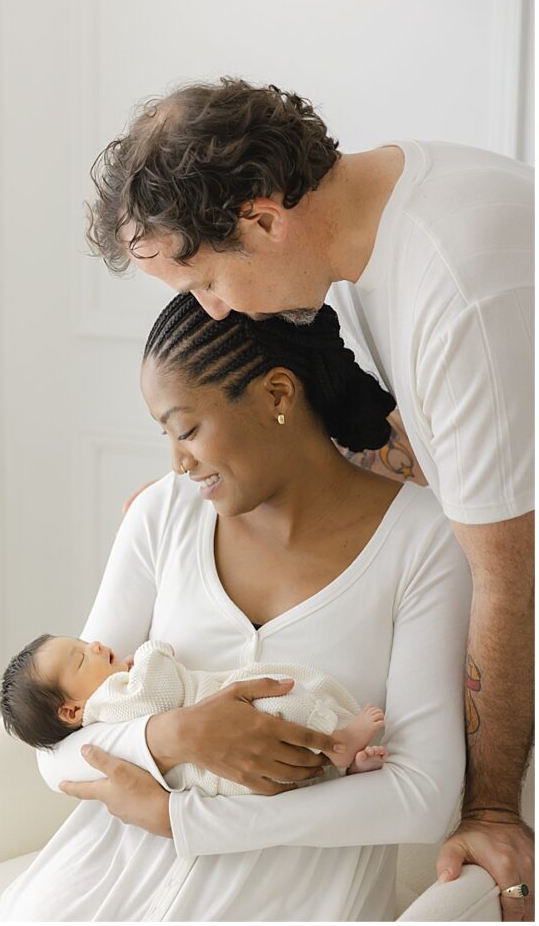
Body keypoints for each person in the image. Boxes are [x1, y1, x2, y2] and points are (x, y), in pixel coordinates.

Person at [86, 78, 534, 917]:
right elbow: (417, 451)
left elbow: (510, 576)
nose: (211, 311)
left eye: (206, 282)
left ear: (261, 219)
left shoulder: (458, 283)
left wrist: (491, 809)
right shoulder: (363, 249)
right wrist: (212, 467)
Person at [0, 295, 470, 921]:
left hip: (288, 903)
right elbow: (56, 749)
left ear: (277, 394)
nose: (177, 461)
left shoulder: (423, 542)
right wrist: (174, 736)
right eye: (166, 435)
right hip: (98, 888)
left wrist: (183, 818)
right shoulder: (162, 514)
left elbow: (422, 795)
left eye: (187, 429)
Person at [0, 635, 390, 789]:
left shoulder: (110, 700)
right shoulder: (109, 702)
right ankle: (338, 743)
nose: (97, 645)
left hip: (218, 757)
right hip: (220, 746)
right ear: (71, 710)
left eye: (85, 642)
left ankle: (343, 763)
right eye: (82, 657)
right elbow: (160, 695)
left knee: (281, 715)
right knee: (281, 707)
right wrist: (155, 651)